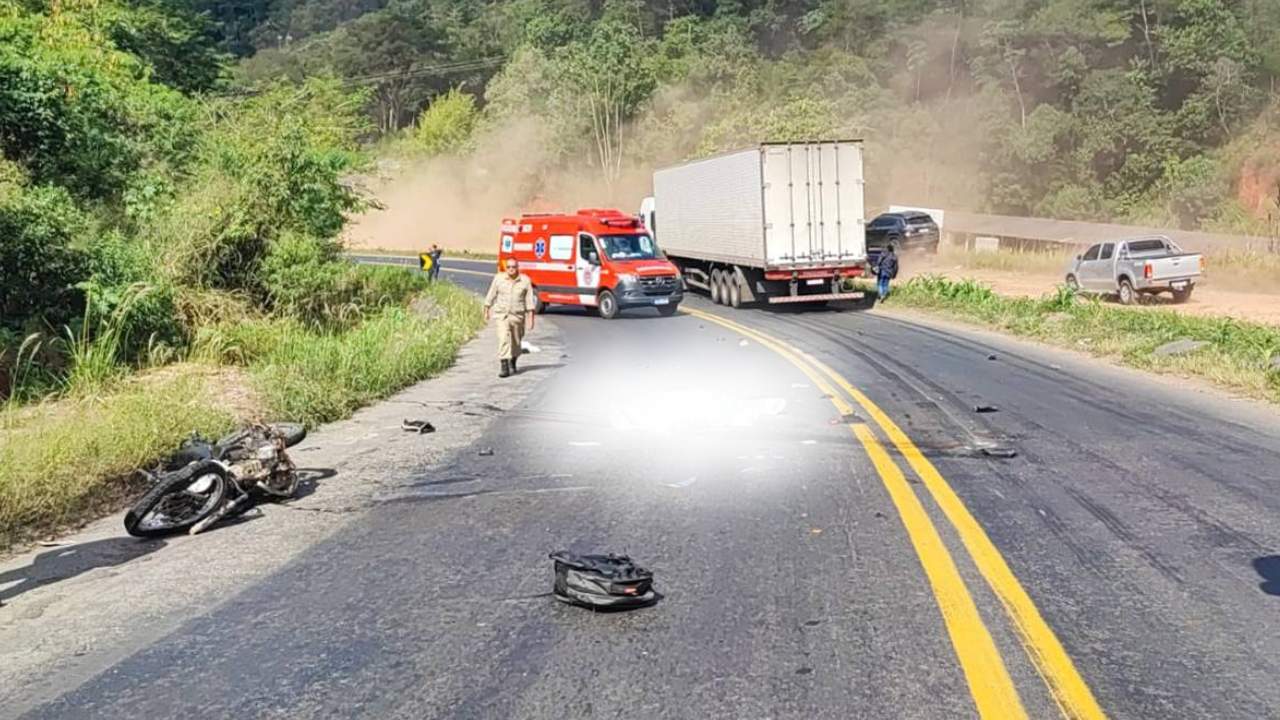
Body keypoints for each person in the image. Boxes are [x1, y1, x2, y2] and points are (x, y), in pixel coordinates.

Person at [483, 258, 536, 378]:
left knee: (516, 342)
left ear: (518, 268)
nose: (511, 269)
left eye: (514, 267)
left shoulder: (525, 281)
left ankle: (513, 360)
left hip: (517, 316)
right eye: (509, 267)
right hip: (502, 315)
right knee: (503, 338)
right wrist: (486, 309)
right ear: (505, 268)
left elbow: (529, 300)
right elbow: (491, 294)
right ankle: (504, 366)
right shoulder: (499, 278)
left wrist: (531, 318)